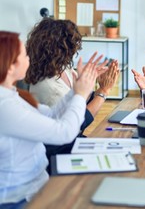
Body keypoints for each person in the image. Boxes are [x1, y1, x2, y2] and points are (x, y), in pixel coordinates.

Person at [0, 31, 102, 208]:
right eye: (24, 54)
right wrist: (81, 94)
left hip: (36, 186)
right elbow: (64, 133)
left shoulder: (12, 95)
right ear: (10, 66)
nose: (29, 58)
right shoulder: (4, 106)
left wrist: (75, 90)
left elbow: (52, 115)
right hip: (19, 199)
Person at [24, 18, 119, 162]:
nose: (75, 51)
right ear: (60, 49)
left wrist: (92, 83)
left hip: (73, 142)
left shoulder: (64, 69)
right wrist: (104, 91)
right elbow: (78, 123)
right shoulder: (48, 86)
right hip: (60, 151)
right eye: (72, 46)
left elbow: (80, 100)